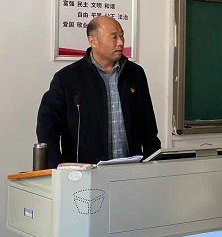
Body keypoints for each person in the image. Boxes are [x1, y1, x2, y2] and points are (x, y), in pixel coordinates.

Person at [36, 16, 161, 167]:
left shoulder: (135, 73)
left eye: (122, 36)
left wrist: (153, 164)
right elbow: (47, 128)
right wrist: (57, 167)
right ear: (93, 41)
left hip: (131, 169)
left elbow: (148, 125)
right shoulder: (67, 78)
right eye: (114, 37)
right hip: (86, 171)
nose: (120, 42)